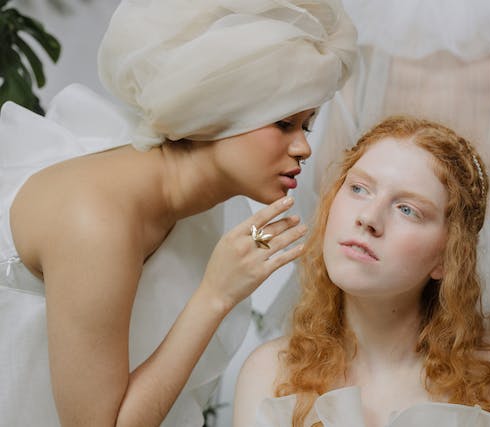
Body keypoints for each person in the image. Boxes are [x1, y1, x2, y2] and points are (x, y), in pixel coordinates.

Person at [0, 0, 356, 425]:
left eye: (308, 125)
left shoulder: (191, 196)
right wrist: (216, 293)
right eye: (284, 124)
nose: (304, 148)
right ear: (214, 112)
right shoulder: (97, 222)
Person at [261, 0, 490, 396]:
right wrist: (320, 247)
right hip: (382, 241)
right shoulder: (367, 11)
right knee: (348, 387)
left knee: (484, 393)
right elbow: (339, 142)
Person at [233, 116, 490, 427]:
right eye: (358, 188)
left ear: (447, 258)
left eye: (407, 209)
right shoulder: (271, 375)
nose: (368, 218)